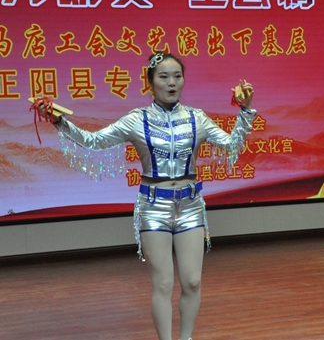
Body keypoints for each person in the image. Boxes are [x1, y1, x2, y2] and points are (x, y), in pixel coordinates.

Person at [37, 52, 257, 340]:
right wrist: (59, 121)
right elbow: (94, 140)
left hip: (190, 205)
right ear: (150, 83)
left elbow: (231, 146)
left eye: (177, 76)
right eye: (163, 77)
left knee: (192, 281)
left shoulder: (197, 118)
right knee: (163, 284)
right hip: (153, 207)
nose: (171, 83)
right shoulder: (136, 120)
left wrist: (245, 111)